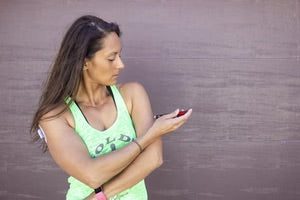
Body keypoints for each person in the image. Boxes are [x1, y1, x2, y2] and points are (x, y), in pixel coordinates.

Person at [30, 15, 192, 200]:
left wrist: (99, 197)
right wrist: (149, 136)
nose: (121, 65)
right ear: (84, 61)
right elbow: (92, 175)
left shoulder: (132, 94)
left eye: (119, 55)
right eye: (111, 58)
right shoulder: (55, 116)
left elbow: (153, 159)